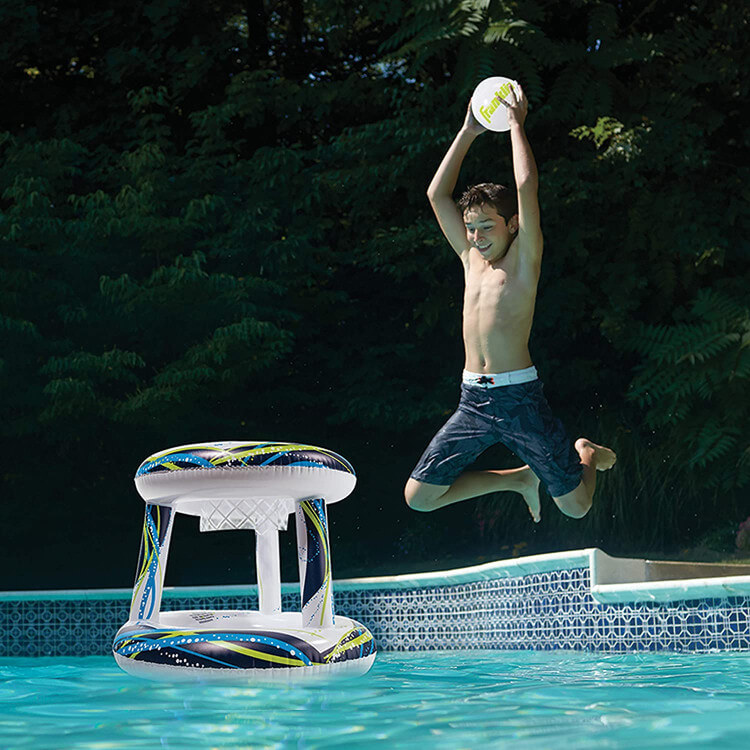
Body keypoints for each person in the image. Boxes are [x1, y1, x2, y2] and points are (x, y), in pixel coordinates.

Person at [404, 84, 616, 523]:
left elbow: (525, 184)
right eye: (471, 228)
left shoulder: (524, 259)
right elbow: (435, 195)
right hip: (471, 402)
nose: (477, 236)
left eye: (487, 226)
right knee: (419, 497)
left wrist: (516, 125)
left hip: (519, 399)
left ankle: (586, 453)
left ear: (513, 225)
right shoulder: (469, 259)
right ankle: (518, 478)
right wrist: (468, 130)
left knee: (577, 508)